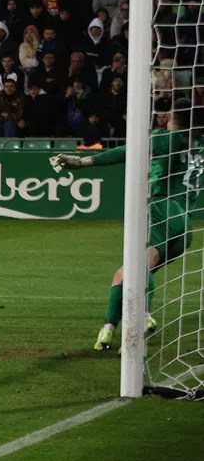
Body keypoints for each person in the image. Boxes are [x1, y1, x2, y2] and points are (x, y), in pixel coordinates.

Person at [51, 103, 196, 351]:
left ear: (171, 116)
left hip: (161, 207)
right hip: (185, 224)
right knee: (123, 274)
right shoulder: (199, 145)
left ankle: (144, 315)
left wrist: (83, 162)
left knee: (141, 265)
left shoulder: (163, 139)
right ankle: (108, 330)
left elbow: (124, 152)